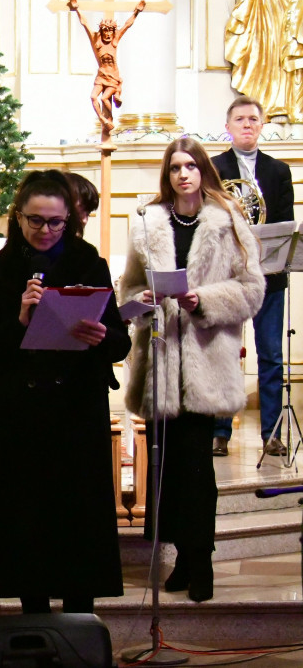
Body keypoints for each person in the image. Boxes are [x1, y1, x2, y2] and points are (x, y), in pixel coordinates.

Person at [0, 169, 129, 614]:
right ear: (18, 218)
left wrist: (100, 334)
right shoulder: (1, 270)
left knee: (78, 527)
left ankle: (81, 623)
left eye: (55, 222)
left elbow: (121, 340)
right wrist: (20, 319)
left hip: (76, 414)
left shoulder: (89, 263)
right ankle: (33, 623)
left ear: (69, 222)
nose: (45, 230)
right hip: (23, 417)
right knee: (27, 529)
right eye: (35, 220)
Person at [121, 138, 264, 603]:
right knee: (166, 470)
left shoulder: (229, 223)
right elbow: (131, 289)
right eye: (175, 167)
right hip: (161, 358)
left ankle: (201, 560)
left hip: (205, 361)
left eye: (191, 166)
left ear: (204, 170)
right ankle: (181, 555)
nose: (183, 174)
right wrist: (142, 302)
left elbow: (251, 291)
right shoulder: (146, 224)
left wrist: (205, 300)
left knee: (197, 469)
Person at [211, 97, 296, 457]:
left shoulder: (279, 171)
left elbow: (284, 224)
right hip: (228, 275)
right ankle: (219, 431)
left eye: (253, 120)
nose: (247, 125)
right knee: (224, 351)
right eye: (240, 119)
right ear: (228, 126)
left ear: (262, 126)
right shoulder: (213, 168)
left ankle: (272, 432)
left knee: (272, 355)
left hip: (268, 275)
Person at [68, 0, 146, 134]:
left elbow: (127, 25)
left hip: (113, 76)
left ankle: (112, 112)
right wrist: (77, 9)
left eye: (111, 31)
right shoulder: (96, 40)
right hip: (101, 75)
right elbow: (85, 24)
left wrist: (136, 12)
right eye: (106, 31)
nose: (108, 34)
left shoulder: (115, 40)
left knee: (104, 98)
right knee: (93, 97)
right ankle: (103, 120)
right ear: (102, 31)